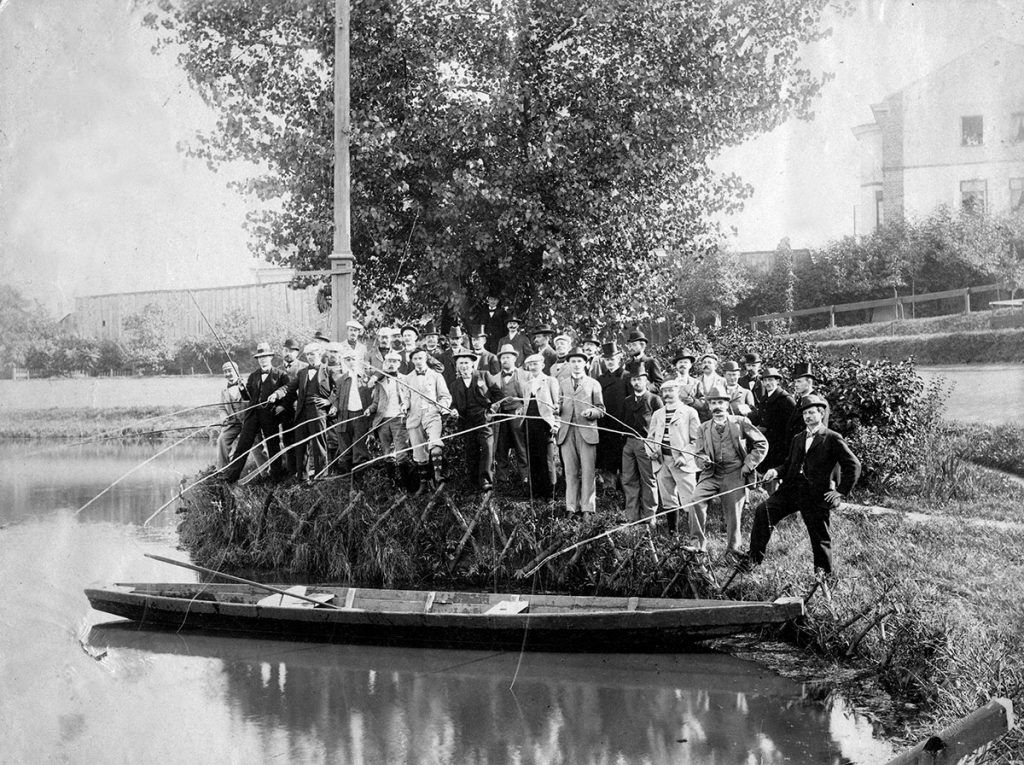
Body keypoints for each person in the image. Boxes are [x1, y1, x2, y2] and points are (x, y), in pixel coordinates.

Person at [748, 394, 861, 576]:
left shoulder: (832, 438)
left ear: (821, 413)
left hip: (816, 495)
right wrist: (775, 472)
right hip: (791, 490)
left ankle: (823, 577)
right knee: (764, 511)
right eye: (805, 414)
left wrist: (841, 491)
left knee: (819, 537)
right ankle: (753, 560)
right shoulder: (798, 438)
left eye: (811, 413)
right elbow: (789, 464)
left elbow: (853, 465)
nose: (807, 416)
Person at [690, 386, 768, 556]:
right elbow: (698, 453)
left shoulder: (740, 422)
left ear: (726, 404)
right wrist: (703, 461)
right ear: (709, 406)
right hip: (711, 474)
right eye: (713, 403)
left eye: (721, 402)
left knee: (733, 512)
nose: (717, 407)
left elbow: (761, 444)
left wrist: (748, 464)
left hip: (734, 472)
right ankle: (697, 545)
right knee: (696, 500)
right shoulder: (703, 428)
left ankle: (733, 549)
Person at [222, 342, 291, 483]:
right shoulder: (254, 376)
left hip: (270, 415)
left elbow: (288, 392)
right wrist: (242, 388)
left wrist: (281, 406)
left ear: (270, 357)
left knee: (273, 444)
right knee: (243, 445)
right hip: (252, 415)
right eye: (260, 357)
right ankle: (231, 477)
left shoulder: (281, 375)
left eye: (265, 357)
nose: (262, 360)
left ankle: (276, 478)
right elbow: (248, 397)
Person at [645, 378, 700, 533]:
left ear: (678, 391)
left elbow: (697, 440)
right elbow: (650, 437)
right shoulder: (658, 414)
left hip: (682, 462)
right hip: (662, 462)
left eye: (671, 390)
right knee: (668, 499)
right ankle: (673, 534)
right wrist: (652, 452)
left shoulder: (689, 412)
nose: (668, 394)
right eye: (665, 391)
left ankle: (695, 535)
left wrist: (684, 456)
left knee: (690, 499)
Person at [557, 347, 606, 515]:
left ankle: (587, 508)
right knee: (570, 472)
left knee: (588, 472)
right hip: (566, 432)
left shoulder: (594, 384)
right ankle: (571, 507)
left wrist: (591, 413)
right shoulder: (562, 383)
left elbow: (601, 409)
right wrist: (556, 409)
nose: (576, 365)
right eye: (573, 361)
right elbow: (558, 405)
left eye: (579, 361)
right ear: (568, 364)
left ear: (585, 363)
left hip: (587, 431)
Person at [400, 346, 452, 493]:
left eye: (421, 358)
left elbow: (445, 397)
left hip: (432, 415)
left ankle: (437, 476)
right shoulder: (407, 378)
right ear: (412, 360)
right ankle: (423, 484)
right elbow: (406, 398)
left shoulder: (436, 376)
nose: (418, 361)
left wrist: (443, 406)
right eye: (415, 359)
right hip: (414, 417)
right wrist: (404, 406)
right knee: (419, 452)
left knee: (435, 446)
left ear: (426, 359)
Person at [449, 350, 503, 491]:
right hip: (466, 421)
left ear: (472, 364)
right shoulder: (455, 385)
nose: (464, 366)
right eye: (460, 363)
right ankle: (473, 482)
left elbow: (498, 395)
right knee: (470, 450)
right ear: (457, 366)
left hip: (484, 417)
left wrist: (492, 410)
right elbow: (454, 404)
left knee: (487, 446)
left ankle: (486, 479)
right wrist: (453, 410)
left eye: (466, 362)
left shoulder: (484, 376)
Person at [619, 361, 663, 523]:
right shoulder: (627, 401)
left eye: (640, 379)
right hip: (629, 444)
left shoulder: (654, 400)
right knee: (629, 479)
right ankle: (632, 517)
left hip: (647, 444)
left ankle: (650, 516)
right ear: (630, 382)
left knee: (648, 480)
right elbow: (623, 421)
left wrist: (654, 446)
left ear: (646, 381)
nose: (637, 382)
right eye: (634, 380)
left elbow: (661, 425)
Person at [364, 350, 413, 489]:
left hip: (399, 420)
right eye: (388, 362)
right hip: (383, 420)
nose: (391, 364)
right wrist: (369, 409)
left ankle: (406, 487)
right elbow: (376, 403)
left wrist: (406, 405)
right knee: (387, 453)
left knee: (402, 453)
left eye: (394, 362)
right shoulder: (380, 382)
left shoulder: (405, 379)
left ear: (399, 364)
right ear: (385, 364)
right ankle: (392, 485)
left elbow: (409, 398)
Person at [750, 367, 796, 493]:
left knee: (778, 473)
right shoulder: (765, 399)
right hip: (768, 443)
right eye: (765, 381)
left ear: (777, 381)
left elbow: (794, 424)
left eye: (771, 380)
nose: (768, 383)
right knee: (768, 472)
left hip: (781, 445)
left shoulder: (786, 399)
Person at [521, 353, 560, 500]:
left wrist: (555, 425)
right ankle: (536, 491)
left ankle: (550, 493)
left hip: (545, 424)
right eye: (530, 365)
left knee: (547, 459)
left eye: (536, 364)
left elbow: (557, 405)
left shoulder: (550, 381)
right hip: (529, 424)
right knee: (533, 457)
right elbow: (525, 404)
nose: (533, 367)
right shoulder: (526, 384)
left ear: (542, 365)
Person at [216, 360, 266, 472]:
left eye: (230, 371)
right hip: (233, 423)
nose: (228, 374)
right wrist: (223, 417)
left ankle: (265, 471)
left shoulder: (247, 384)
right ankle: (222, 470)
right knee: (221, 440)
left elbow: (252, 400)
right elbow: (221, 408)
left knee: (255, 443)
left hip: (249, 421)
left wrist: (245, 389)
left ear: (237, 371)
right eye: (225, 372)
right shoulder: (224, 391)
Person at [491, 344, 529, 486]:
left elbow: (528, 397)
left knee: (521, 446)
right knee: (501, 446)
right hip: (501, 416)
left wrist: (522, 407)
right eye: (503, 357)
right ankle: (502, 478)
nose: (505, 360)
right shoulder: (494, 378)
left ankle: (525, 476)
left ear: (514, 359)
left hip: (517, 415)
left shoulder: (524, 375)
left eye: (508, 357)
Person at [290, 341, 330, 479]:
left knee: (318, 443)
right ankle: (302, 477)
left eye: (312, 354)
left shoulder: (327, 370)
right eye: (307, 355)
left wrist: (329, 401)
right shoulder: (302, 373)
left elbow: (338, 389)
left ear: (319, 354)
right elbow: (289, 388)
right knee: (301, 444)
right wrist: (276, 394)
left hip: (318, 411)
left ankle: (321, 476)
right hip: (302, 411)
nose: (309, 357)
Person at [331, 348, 371, 474]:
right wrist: (334, 406)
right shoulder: (341, 380)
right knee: (345, 446)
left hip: (360, 415)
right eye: (347, 360)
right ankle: (348, 479)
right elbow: (336, 397)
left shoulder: (366, 378)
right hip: (344, 415)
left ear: (358, 360)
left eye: (353, 359)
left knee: (359, 445)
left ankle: (360, 478)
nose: (351, 362)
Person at [596, 342, 629, 490]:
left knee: (623, 461)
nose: (610, 361)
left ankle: (625, 491)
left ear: (619, 358)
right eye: (607, 359)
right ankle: (609, 492)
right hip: (605, 425)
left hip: (622, 426)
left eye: (612, 358)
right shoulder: (600, 380)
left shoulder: (627, 377)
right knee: (607, 458)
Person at [278, 338, 307, 474]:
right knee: (287, 441)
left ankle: (302, 472)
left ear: (297, 353)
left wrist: (298, 402)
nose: (288, 353)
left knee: (301, 441)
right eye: (285, 350)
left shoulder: (304, 367)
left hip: (300, 410)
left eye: (291, 351)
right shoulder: (277, 370)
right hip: (285, 412)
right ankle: (291, 472)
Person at [785, 362, 830, 443]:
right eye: (795, 382)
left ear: (809, 382)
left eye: (799, 381)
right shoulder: (800, 401)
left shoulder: (819, 401)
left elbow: (820, 434)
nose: (795, 385)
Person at [692, 351, 724, 422]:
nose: (706, 364)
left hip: (718, 417)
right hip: (700, 419)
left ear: (715, 366)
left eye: (709, 362)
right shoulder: (695, 382)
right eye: (704, 363)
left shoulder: (723, 381)